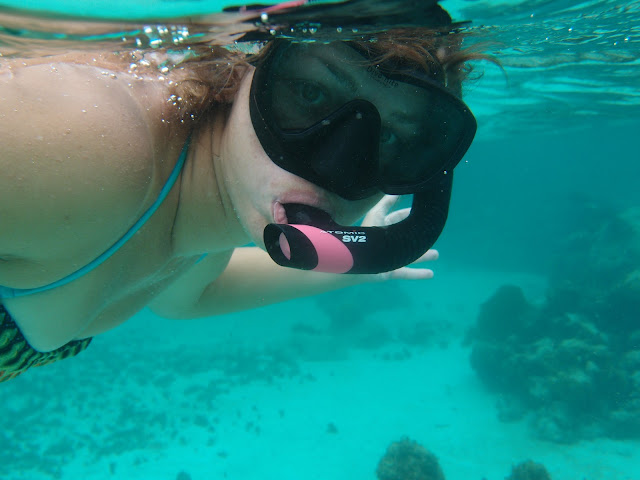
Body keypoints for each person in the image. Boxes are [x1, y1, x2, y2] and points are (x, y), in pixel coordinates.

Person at [0, 5, 485, 382]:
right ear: (247, 65)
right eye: (310, 94)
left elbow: (189, 298)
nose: (332, 166)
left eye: (389, 139)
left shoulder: (204, 214)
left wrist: (363, 264)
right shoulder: (91, 146)